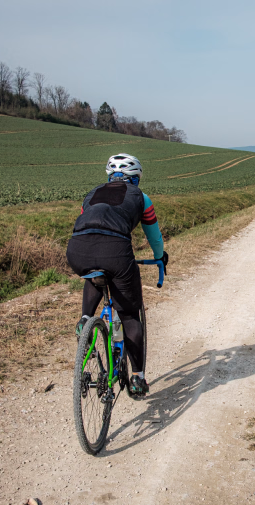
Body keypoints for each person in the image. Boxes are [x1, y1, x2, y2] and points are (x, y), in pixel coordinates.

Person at [66, 153, 167, 397]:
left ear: (110, 176)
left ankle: (85, 320)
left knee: (94, 273)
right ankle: (137, 378)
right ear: (136, 178)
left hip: (77, 250)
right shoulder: (141, 198)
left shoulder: (91, 194)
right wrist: (160, 257)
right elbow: (154, 236)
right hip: (115, 253)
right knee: (130, 316)